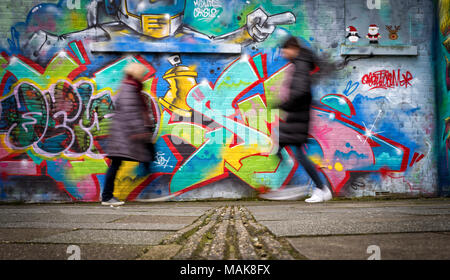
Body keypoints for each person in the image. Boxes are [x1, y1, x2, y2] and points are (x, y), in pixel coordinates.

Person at [261, 36, 333, 203]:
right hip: (297, 118)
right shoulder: (300, 63)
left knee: (293, 151)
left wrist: (282, 105)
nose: (283, 54)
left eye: (284, 50)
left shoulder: (300, 64)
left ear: (292, 48)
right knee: (285, 147)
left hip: (298, 117)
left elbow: (301, 92)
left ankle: (320, 189)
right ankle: (318, 188)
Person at [101, 63, 155, 206]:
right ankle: (107, 197)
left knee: (121, 163)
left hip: (123, 135)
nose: (143, 78)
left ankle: (107, 196)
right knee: (119, 163)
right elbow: (131, 113)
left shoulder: (129, 88)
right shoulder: (130, 89)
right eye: (142, 75)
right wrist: (142, 131)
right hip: (124, 136)